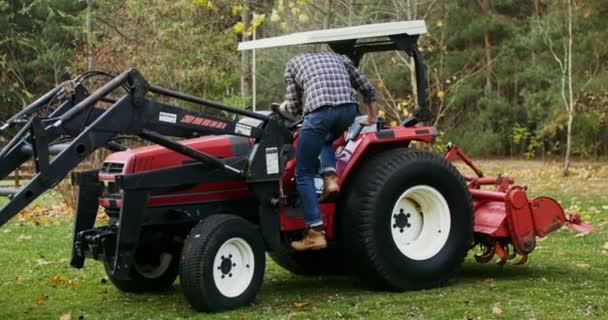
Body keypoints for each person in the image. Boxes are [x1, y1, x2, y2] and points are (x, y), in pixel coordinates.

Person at [278, 52, 377, 251]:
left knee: (303, 172)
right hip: (348, 110)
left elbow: (295, 105)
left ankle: (315, 232)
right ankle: (330, 179)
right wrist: (372, 117)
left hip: (320, 112)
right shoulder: (340, 58)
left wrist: (283, 107)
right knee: (326, 139)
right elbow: (366, 87)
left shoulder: (292, 63)